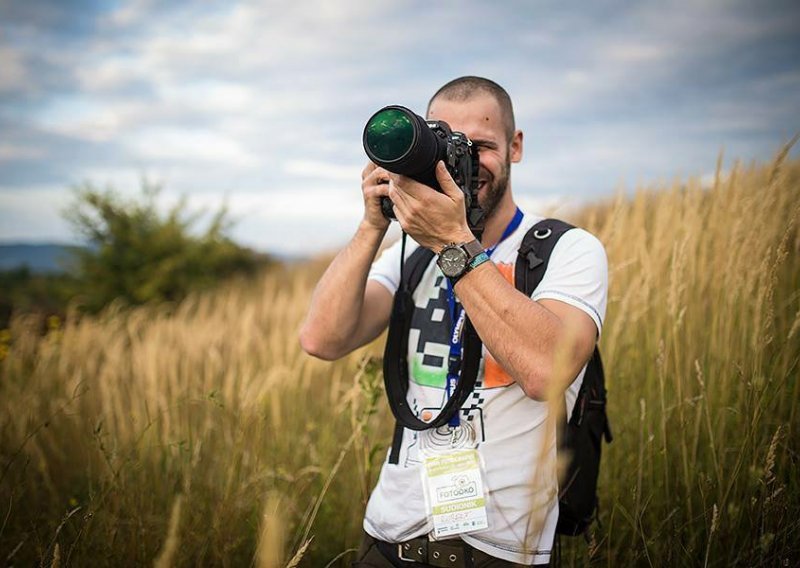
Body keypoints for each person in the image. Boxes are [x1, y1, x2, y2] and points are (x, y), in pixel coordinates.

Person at [300, 76, 608, 567]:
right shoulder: (413, 255)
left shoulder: (565, 251)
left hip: (499, 550)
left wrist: (453, 244)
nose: (466, 162)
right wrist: (372, 224)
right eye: (448, 145)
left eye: (481, 146)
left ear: (516, 146)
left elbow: (544, 372)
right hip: (389, 535)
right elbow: (322, 338)